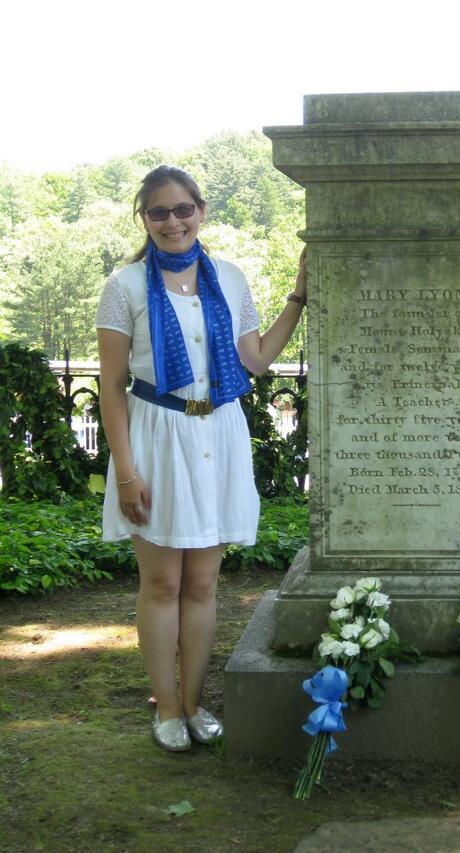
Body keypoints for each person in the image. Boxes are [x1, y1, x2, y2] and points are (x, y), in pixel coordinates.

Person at [96, 165, 306, 752]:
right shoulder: (127, 286)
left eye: (183, 209)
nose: (173, 221)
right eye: (159, 212)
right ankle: (165, 709)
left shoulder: (231, 281)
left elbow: (257, 360)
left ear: (201, 213)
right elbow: (113, 386)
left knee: (204, 584)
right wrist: (127, 473)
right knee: (162, 584)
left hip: (218, 434)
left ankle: (194, 704)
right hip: (156, 440)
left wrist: (299, 296)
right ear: (145, 219)